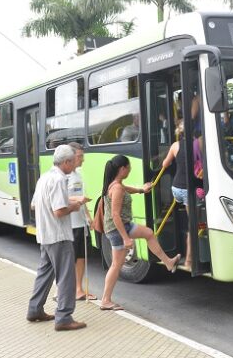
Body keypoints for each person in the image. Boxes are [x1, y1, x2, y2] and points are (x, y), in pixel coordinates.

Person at [100, 155, 180, 311]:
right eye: (128, 167)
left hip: (125, 225)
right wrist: (126, 238)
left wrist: (141, 190)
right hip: (117, 230)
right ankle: (105, 300)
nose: (130, 169)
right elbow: (115, 215)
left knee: (149, 233)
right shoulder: (116, 188)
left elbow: (126, 189)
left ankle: (169, 263)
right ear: (122, 169)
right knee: (116, 265)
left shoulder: (117, 184)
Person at [26, 145, 87, 331]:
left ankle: (35, 309)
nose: (76, 164)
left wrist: (69, 202)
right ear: (67, 162)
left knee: (44, 274)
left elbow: (34, 205)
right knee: (66, 277)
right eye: (74, 161)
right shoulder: (60, 179)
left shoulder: (44, 177)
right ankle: (64, 317)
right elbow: (59, 211)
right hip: (59, 235)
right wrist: (74, 207)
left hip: (45, 234)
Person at [159, 121, 200, 269]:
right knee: (193, 225)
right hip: (190, 189)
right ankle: (189, 261)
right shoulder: (198, 144)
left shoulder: (175, 146)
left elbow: (165, 164)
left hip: (176, 188)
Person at [65, 142, 96, 301]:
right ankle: (64, 290)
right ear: (70, 157)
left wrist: (89, 218)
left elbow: (82, 198)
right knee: (70, 259)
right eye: (80, 156)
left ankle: (79, 289)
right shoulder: (64, 177)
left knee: (82, 257)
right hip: (69, 224)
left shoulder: (78, 174)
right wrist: (77, 199)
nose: (82, 159)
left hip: (81, 223)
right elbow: (59, 198)